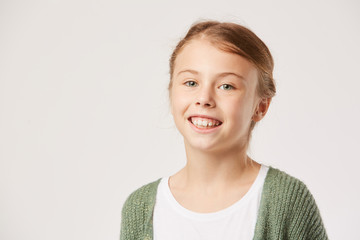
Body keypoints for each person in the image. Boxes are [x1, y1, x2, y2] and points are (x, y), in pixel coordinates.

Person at [120, 20, 328, 240]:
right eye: (191, 83)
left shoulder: (288, 201)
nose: (204, 99)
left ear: (260, 107)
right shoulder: (140, 208)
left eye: (226, 86)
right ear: (171, 93)